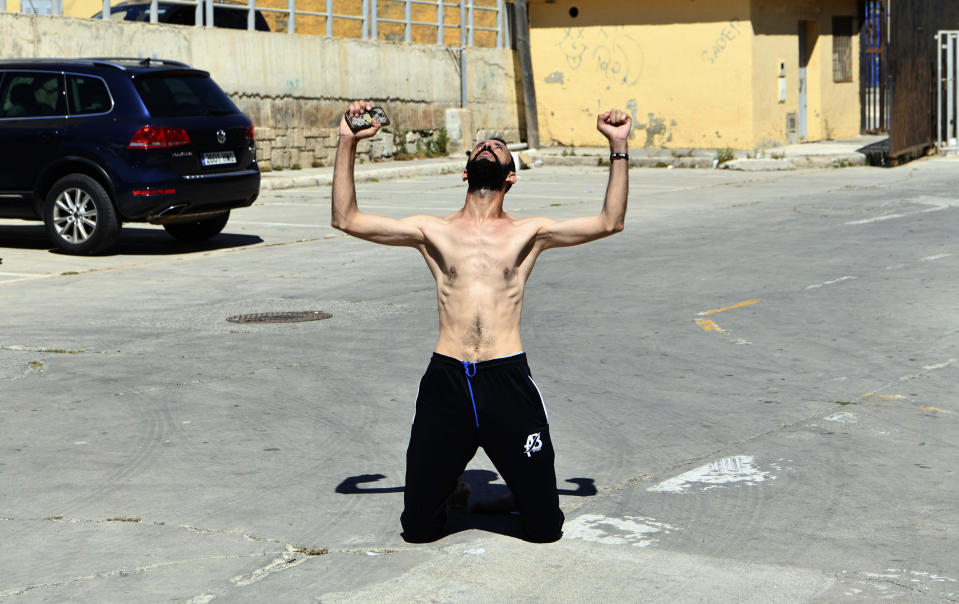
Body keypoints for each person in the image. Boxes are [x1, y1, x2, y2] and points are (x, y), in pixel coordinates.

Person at [332, 100, 631, 543]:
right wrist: (346, 142)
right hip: (447, 380)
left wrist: (619, 147)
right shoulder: (431, 230)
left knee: (545, 529)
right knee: (418, 530)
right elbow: (346, 218)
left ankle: (521, 492)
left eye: (498, 147)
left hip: (506, 379)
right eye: (480, 146)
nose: (488, 147)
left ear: (511, 175)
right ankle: (451, 488)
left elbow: (611, 221)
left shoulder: (530, 232)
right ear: (466, 172)